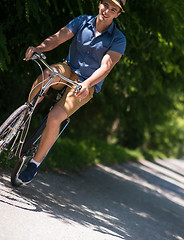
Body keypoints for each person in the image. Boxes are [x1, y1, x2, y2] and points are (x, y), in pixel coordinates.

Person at [18, 0, 126, 184]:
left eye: (113, 9)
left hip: (86, 84)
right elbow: (58, 38)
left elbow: (106, 66)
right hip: (68, 68)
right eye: (106, 5)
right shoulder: (82, 21)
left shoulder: (118, 38)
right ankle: (23, 116)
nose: (107, 11)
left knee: (54, 118)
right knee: (48, 73)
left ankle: (34, 164)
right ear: (99, 3)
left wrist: (88, 84)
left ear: (118, 14)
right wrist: (39, 48)